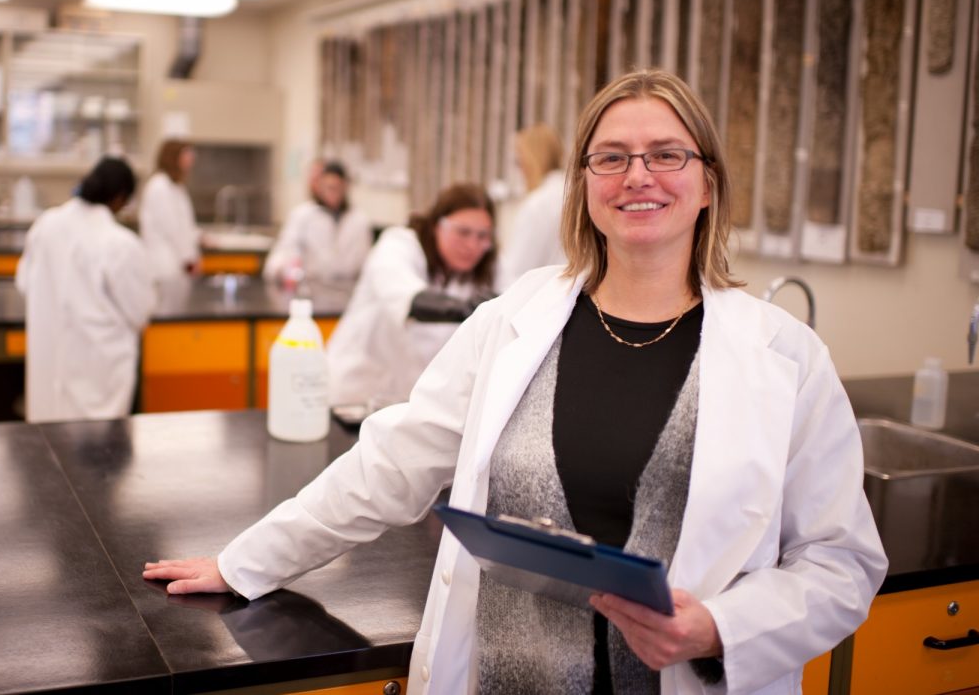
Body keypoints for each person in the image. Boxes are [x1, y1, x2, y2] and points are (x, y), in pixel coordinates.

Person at [144, 71, 886, 694]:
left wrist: (720, 626)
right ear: (585, 183)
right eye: (611, 157)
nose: (638, 176)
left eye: (667, 154)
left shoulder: (785, 357)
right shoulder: (517, 319)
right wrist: (243, 562)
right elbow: (390, 464)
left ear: (707, 183)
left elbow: (841, 562)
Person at [325, 182, 496, 407]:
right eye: (463, 232)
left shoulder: (484, 269)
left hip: (408, 403)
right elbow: (408, 299)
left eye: (483, 236)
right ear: (437, 226)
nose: (472, 245)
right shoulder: (399, 245)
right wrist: (465, 309)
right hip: (354, 396)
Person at [16, 156, 156, 422]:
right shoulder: (120, 244)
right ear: (120, 198)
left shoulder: (46, 225)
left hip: (49, 376)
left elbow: (24, 283)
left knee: (51, 452)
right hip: (98, 378)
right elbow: (140, 312)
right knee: (96, 457)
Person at [262, 160, 372, 283]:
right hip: (311, 287)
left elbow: (365, 262)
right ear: (320, 186)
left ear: (345, 187)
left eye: (337, 187)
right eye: (329, 187)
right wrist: (282, 269)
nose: (333, 192)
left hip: (346, 289)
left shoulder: (359, 220)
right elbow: (284, 252)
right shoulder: (303, 216)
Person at [497, 123, 567, 291]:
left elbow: (515, 272)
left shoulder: (538, 204)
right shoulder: (573, 193)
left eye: (518, 160)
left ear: (530, 159)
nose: (519, 169)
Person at [139, 139, 201, 281]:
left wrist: (198, 236)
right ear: (173, 157)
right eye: (187, 154)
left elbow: (184, 225)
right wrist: (188, 260)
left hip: (175, 264)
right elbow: (172, 228)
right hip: (165, 265)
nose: (192, 158)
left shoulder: (175, 186)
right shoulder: (160, 186)